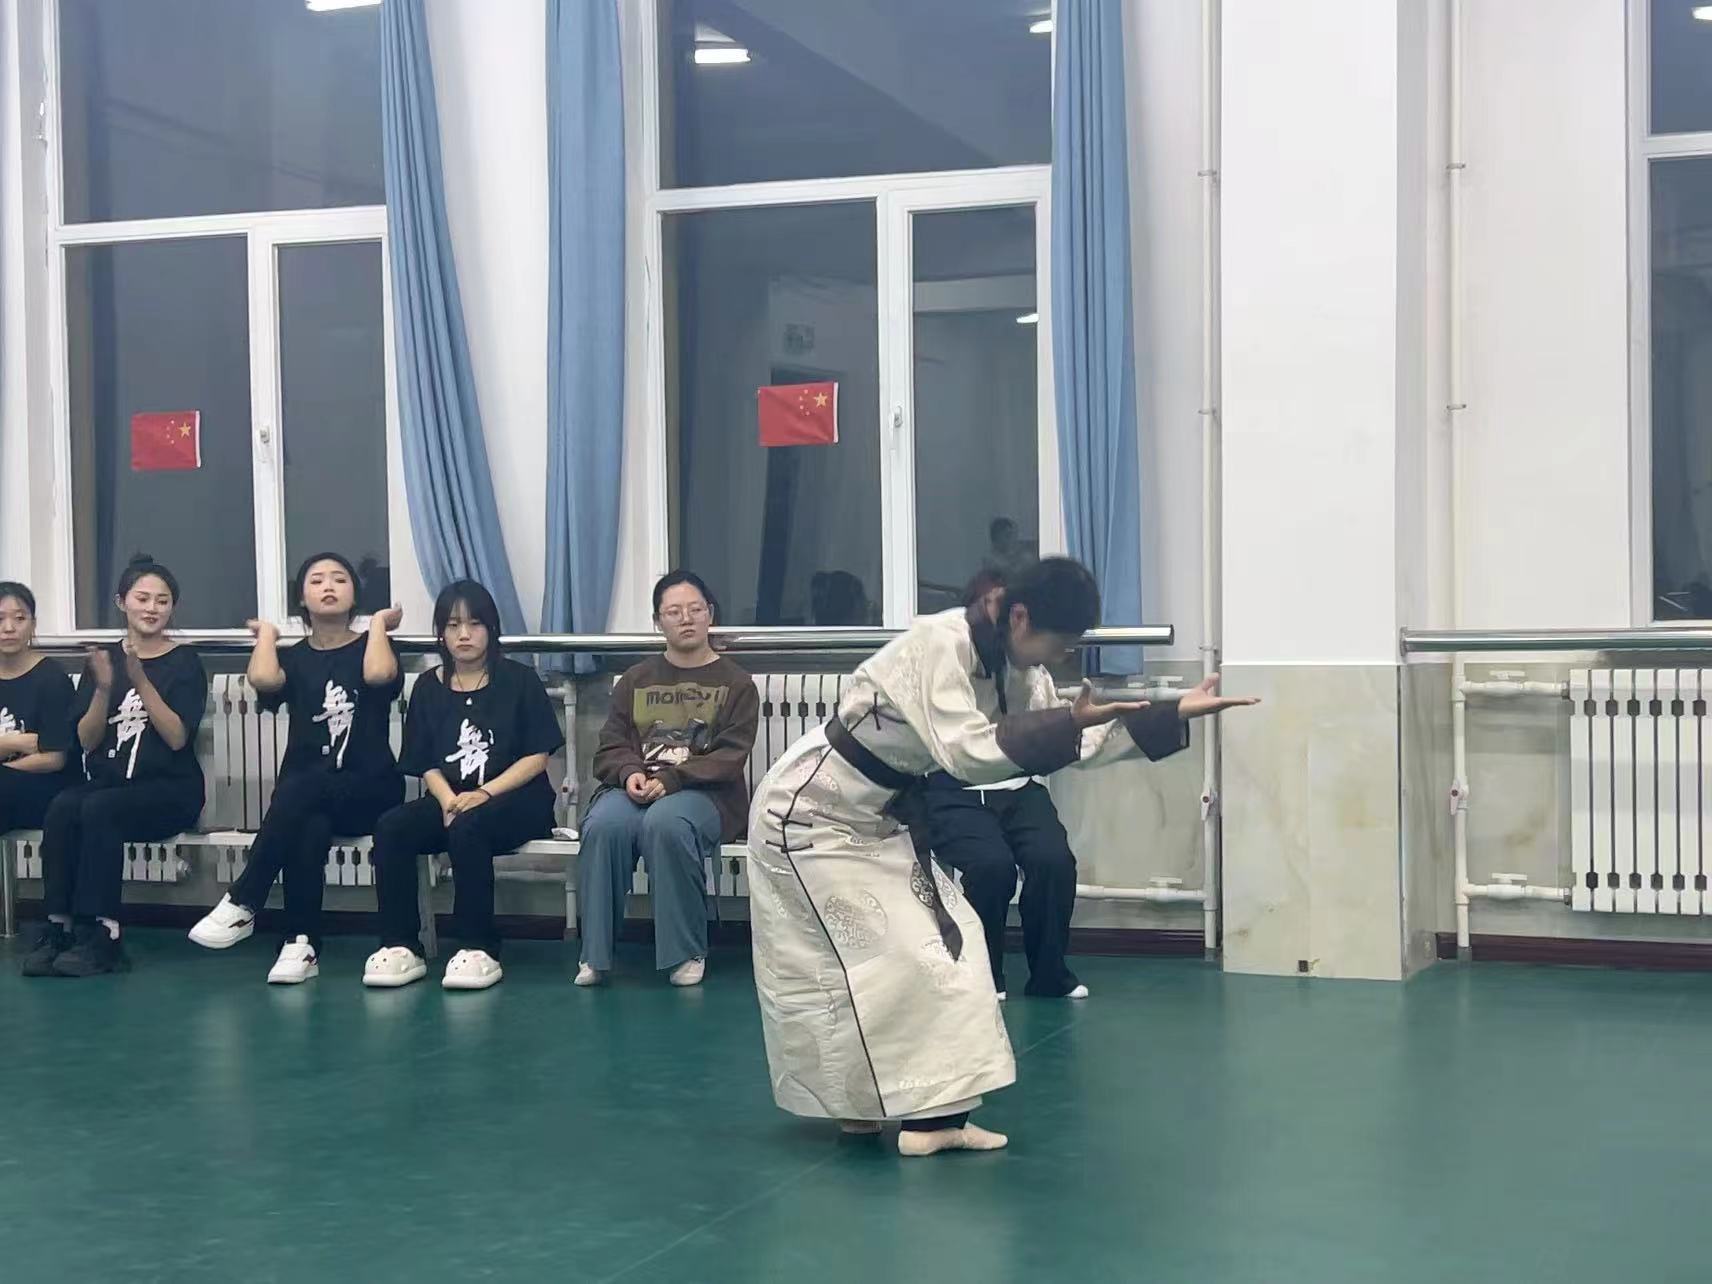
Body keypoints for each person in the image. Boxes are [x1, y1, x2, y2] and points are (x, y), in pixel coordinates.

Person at [746, 557, 1256, 1156]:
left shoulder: (1020, 671)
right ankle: (875, 1110)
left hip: (877, 817)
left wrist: (1170, 713)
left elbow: (1074, 741)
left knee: (951, 942)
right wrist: (1064, 723)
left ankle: (926, 1119)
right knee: (862, 963)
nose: (1061, 657)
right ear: (1019, 617)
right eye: (1058, 643)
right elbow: (966, 753)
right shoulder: (939, 643)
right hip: (809, 815)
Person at [187, 553, 405, 984]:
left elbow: (380, 676)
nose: (328, 586)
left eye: (339, 579)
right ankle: (300, 943)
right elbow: (263, 681)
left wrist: (378, 623)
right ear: (302, 598)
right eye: (316, 580)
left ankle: (244, 900)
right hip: (309, 797)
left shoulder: (373, 647)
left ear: (354, 595)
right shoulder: (296, 657)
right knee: (307, 825)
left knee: (298, 792)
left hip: (371, 789)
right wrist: (268, 635)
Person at [363, 579, 562, 991]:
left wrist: (484, 794)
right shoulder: (427, 686)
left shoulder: (520, 681)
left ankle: (477, 946)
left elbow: (537, 756)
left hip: (516, 800)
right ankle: (401, 945)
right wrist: (448, 800)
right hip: (450, 799)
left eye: (474, 624)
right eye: (453, 625)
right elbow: (424, 761)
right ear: (441, 633)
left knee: (470, 826)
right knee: (392, 827)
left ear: (491, 629)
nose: (464, 634)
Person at [23, 555, 208, 977]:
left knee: (98, 809)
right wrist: (104, 689)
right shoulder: (103, 661)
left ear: (172, 608)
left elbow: (177, 738)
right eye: (142, 598)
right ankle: (59, 926)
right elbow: (87, 741)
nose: (152, 608)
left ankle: (103, 934)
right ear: (122, 602)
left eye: (162, 601)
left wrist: (139, 679)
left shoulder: (184, 661)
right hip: (111, 783)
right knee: (63, 806)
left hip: (169, 789)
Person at [577, 570, 760, 988]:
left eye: (695, 609)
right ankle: (595, 954)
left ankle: (686, 950)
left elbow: (730, 756)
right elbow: (611, 745)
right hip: (637, 787)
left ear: (710, 614)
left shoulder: (737, 683)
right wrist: (629, 773)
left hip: (705, 794)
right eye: (674, 611)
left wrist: (674, 779)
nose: (686, 618)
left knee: (666, 823)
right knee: (603, 824)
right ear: (658, 621)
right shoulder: (635, 680)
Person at [920, 569, 1088, 1000]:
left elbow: (1056, 727)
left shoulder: (1031, 671)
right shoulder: (949, 657)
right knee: (991, 867)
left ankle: (1050, 974)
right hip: (954, 789)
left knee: (1054, 861)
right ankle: (984, 975)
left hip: (1016, 786)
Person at [0, 582, 80, 834]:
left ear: (33, 624)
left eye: (19, 618)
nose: (8, 628)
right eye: (0, 619)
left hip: (46, 787)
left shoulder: (52, 679)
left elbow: (54, 758)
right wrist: (17, 743)